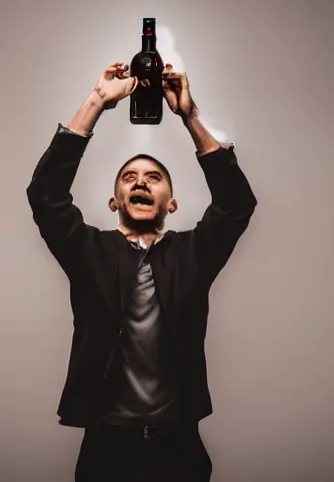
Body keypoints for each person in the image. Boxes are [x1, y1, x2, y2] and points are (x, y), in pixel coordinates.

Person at [26, 61, 257, 481]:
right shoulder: (88, 251)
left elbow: (236, 205)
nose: (141, 183)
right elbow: (45, 196)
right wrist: (97, 101)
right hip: (106, 447)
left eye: (154, 177)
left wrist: (190, 117)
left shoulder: (193, 254)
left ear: (172, 203)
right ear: (115, 200)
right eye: (130, 177)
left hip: (180, 445)